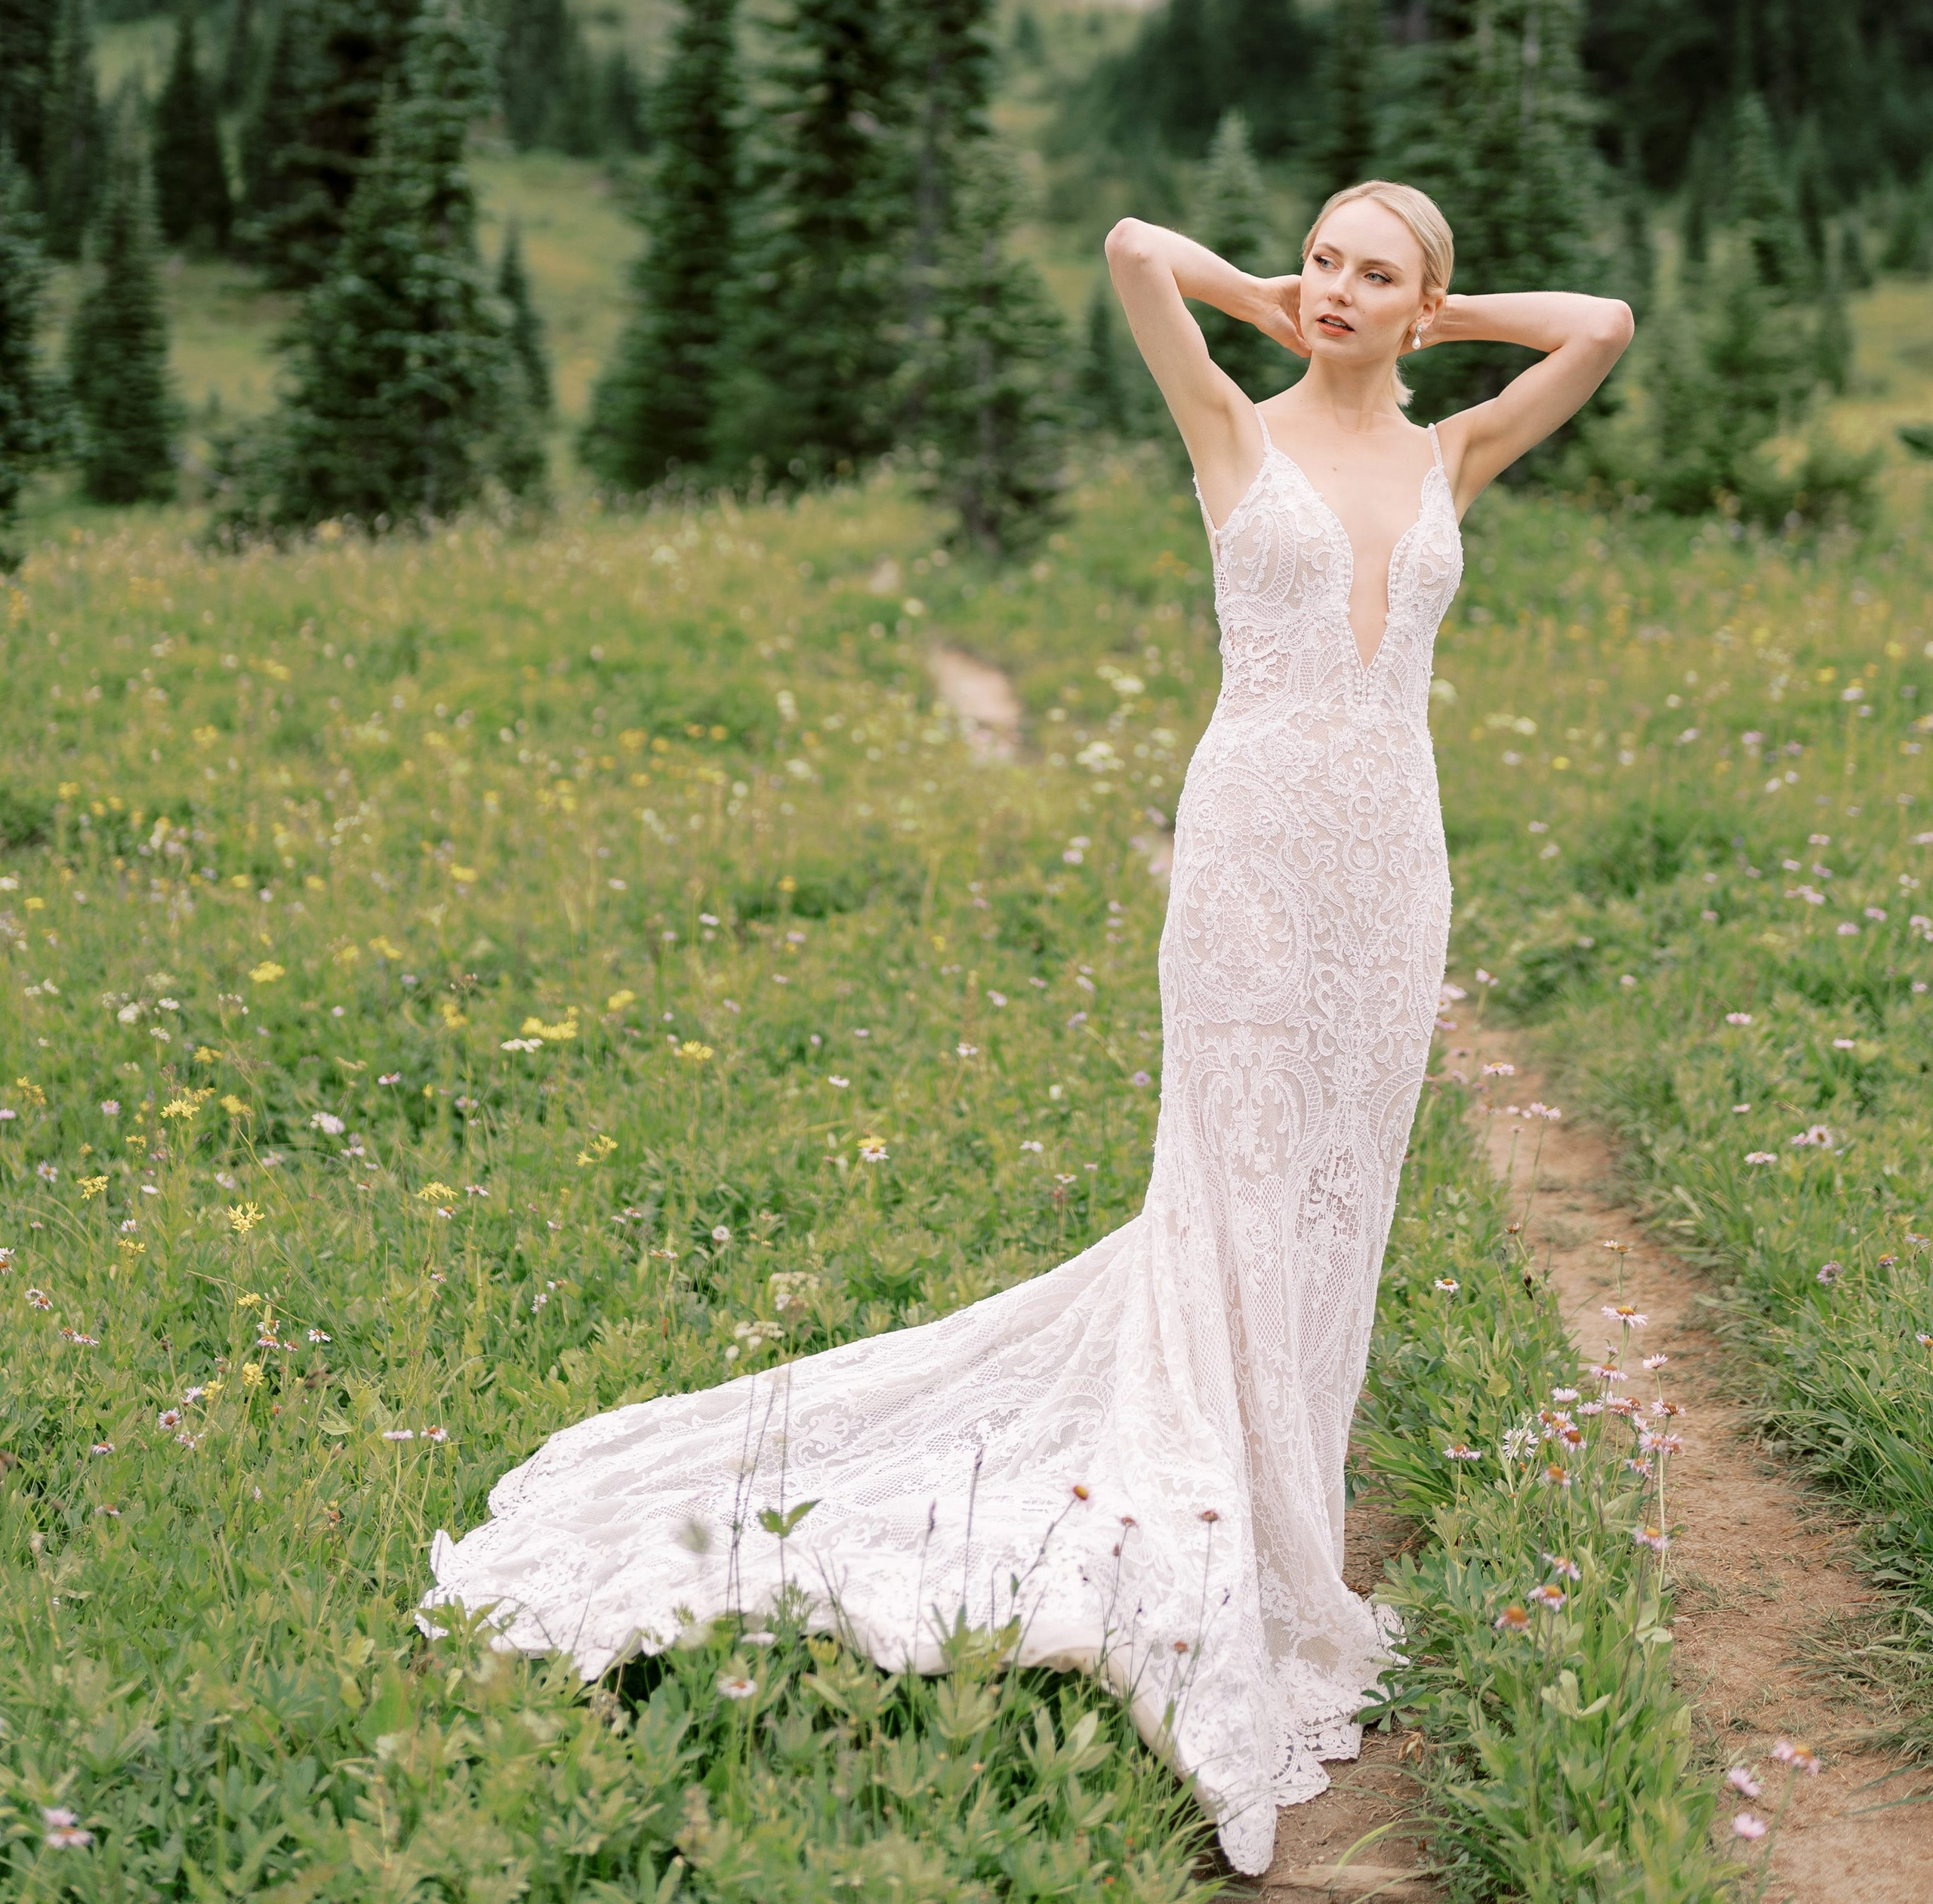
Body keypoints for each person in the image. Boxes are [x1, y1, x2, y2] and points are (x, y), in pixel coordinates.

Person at [423, 179, 1631, 1875]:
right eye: (1324, 260)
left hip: (1391, 868)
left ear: (1418, 306)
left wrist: (1443, 311)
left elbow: (1601, 328)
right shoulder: (1234, 426)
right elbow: (1136, 254)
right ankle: (1221, 1513)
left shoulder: (1451, 456)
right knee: (1229, 1178)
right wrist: (1267, 299)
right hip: (1251, 854)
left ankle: (1289, 1506)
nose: (1338, 289)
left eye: (1374, 276)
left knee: (1340, 1196)